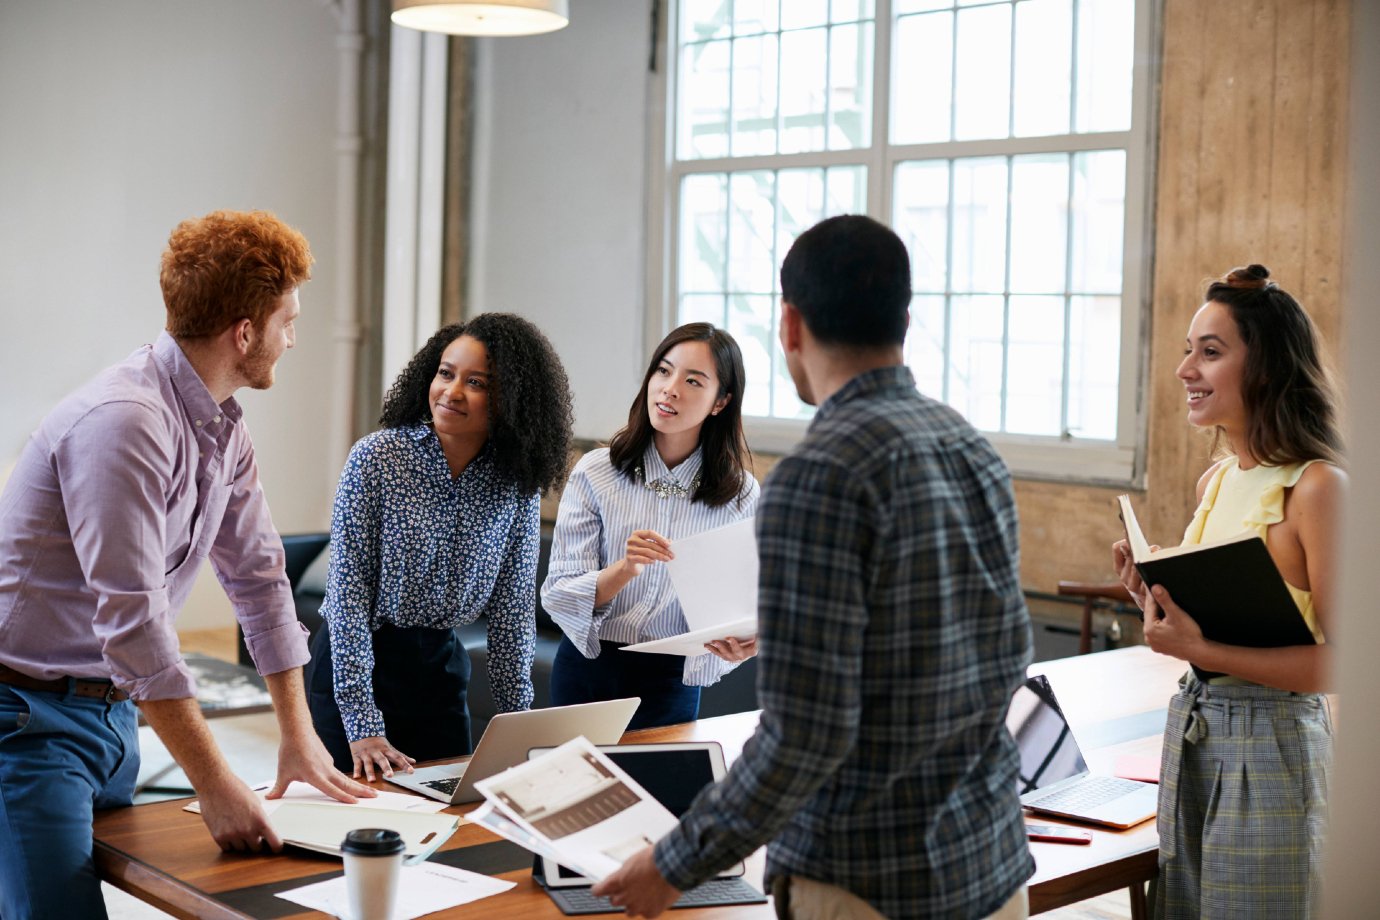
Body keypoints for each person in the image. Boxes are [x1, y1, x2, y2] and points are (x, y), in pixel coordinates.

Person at [594, 215, 1035, 919]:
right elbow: (992, 650)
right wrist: (783, 633)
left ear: (790, 325)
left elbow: (806, 733)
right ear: (906, 320)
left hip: (869, 881)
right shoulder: (969, 445)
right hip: (991, 862)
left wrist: (674, 864)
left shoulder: (820, 473)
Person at [0, 210, 372, 920]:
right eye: (287, 321)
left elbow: (261, 581)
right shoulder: (126, 422)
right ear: (244, 332)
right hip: (27, 721)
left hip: (112, 719)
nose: (292, 338)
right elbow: (135, 627)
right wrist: (215, 781)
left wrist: (297, 738)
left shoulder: (220, 421)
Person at [1112, 265, 1345, 918]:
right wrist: (1151, 598)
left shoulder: (1319, 488)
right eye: (1189, 350)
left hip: (1273, 749)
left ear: (1266, 365)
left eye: (1210, 352)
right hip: (1194, 736)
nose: (1187, 368)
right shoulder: (1215, 483)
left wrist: (1205, 650)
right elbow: (1211, 633)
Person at [306, 314, 574, 781]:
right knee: (352, 819)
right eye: (445, 373)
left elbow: (512, 613)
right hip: (355, 664)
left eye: (476, 382)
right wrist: (363, 722)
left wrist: (518, 727)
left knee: (449, 813)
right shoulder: (376, 459)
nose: (451, 392)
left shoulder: (517, 485)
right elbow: (347, 598)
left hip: (439, 671)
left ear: (511, 399)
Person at [540, 323, 760, 730]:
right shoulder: (596, 471)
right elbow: (559, 594)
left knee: (661, 793)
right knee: (573, 794)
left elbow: (743, 605)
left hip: (670, 682)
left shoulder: (742, 495)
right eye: (663, 370)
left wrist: (745, 643)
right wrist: (625, 569)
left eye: (693, 380)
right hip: (588, 670)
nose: (670, 388)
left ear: (720, 402)